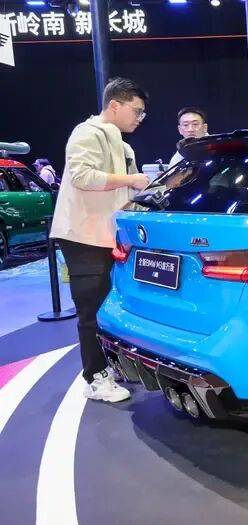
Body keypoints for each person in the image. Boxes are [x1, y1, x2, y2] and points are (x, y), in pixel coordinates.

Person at [50, 77, 151, 403]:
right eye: (136, 111)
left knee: (110, 305)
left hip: (110, 236)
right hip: (84, 236)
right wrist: (131, 178)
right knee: (91, 308)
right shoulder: (87, 133)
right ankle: (95, 378)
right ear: (115, 105)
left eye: (142, 113)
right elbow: (82, 176)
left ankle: (109, 367)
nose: (139, 118)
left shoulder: (123, 146)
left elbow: (129, 192)